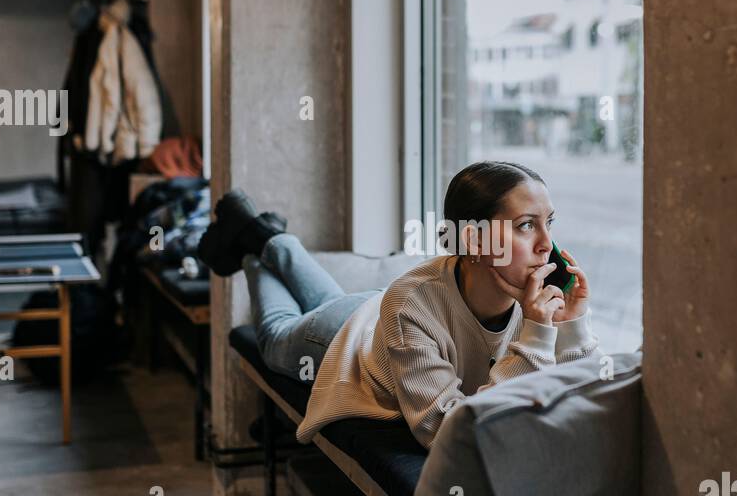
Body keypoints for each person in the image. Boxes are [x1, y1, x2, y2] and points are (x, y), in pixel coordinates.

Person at [197, 161, 598, 448]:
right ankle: (253, 250)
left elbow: (581, 399)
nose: (548, 244)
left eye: (550, 223)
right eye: (526, 225)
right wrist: (536, 338)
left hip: (377, 316)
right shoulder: (412, 304)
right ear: (476, 241)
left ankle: (262, 235)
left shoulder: (532, 304)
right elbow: (444, 430)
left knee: (329, 299)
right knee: (275, 333)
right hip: (341, 339)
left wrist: (572, 325)